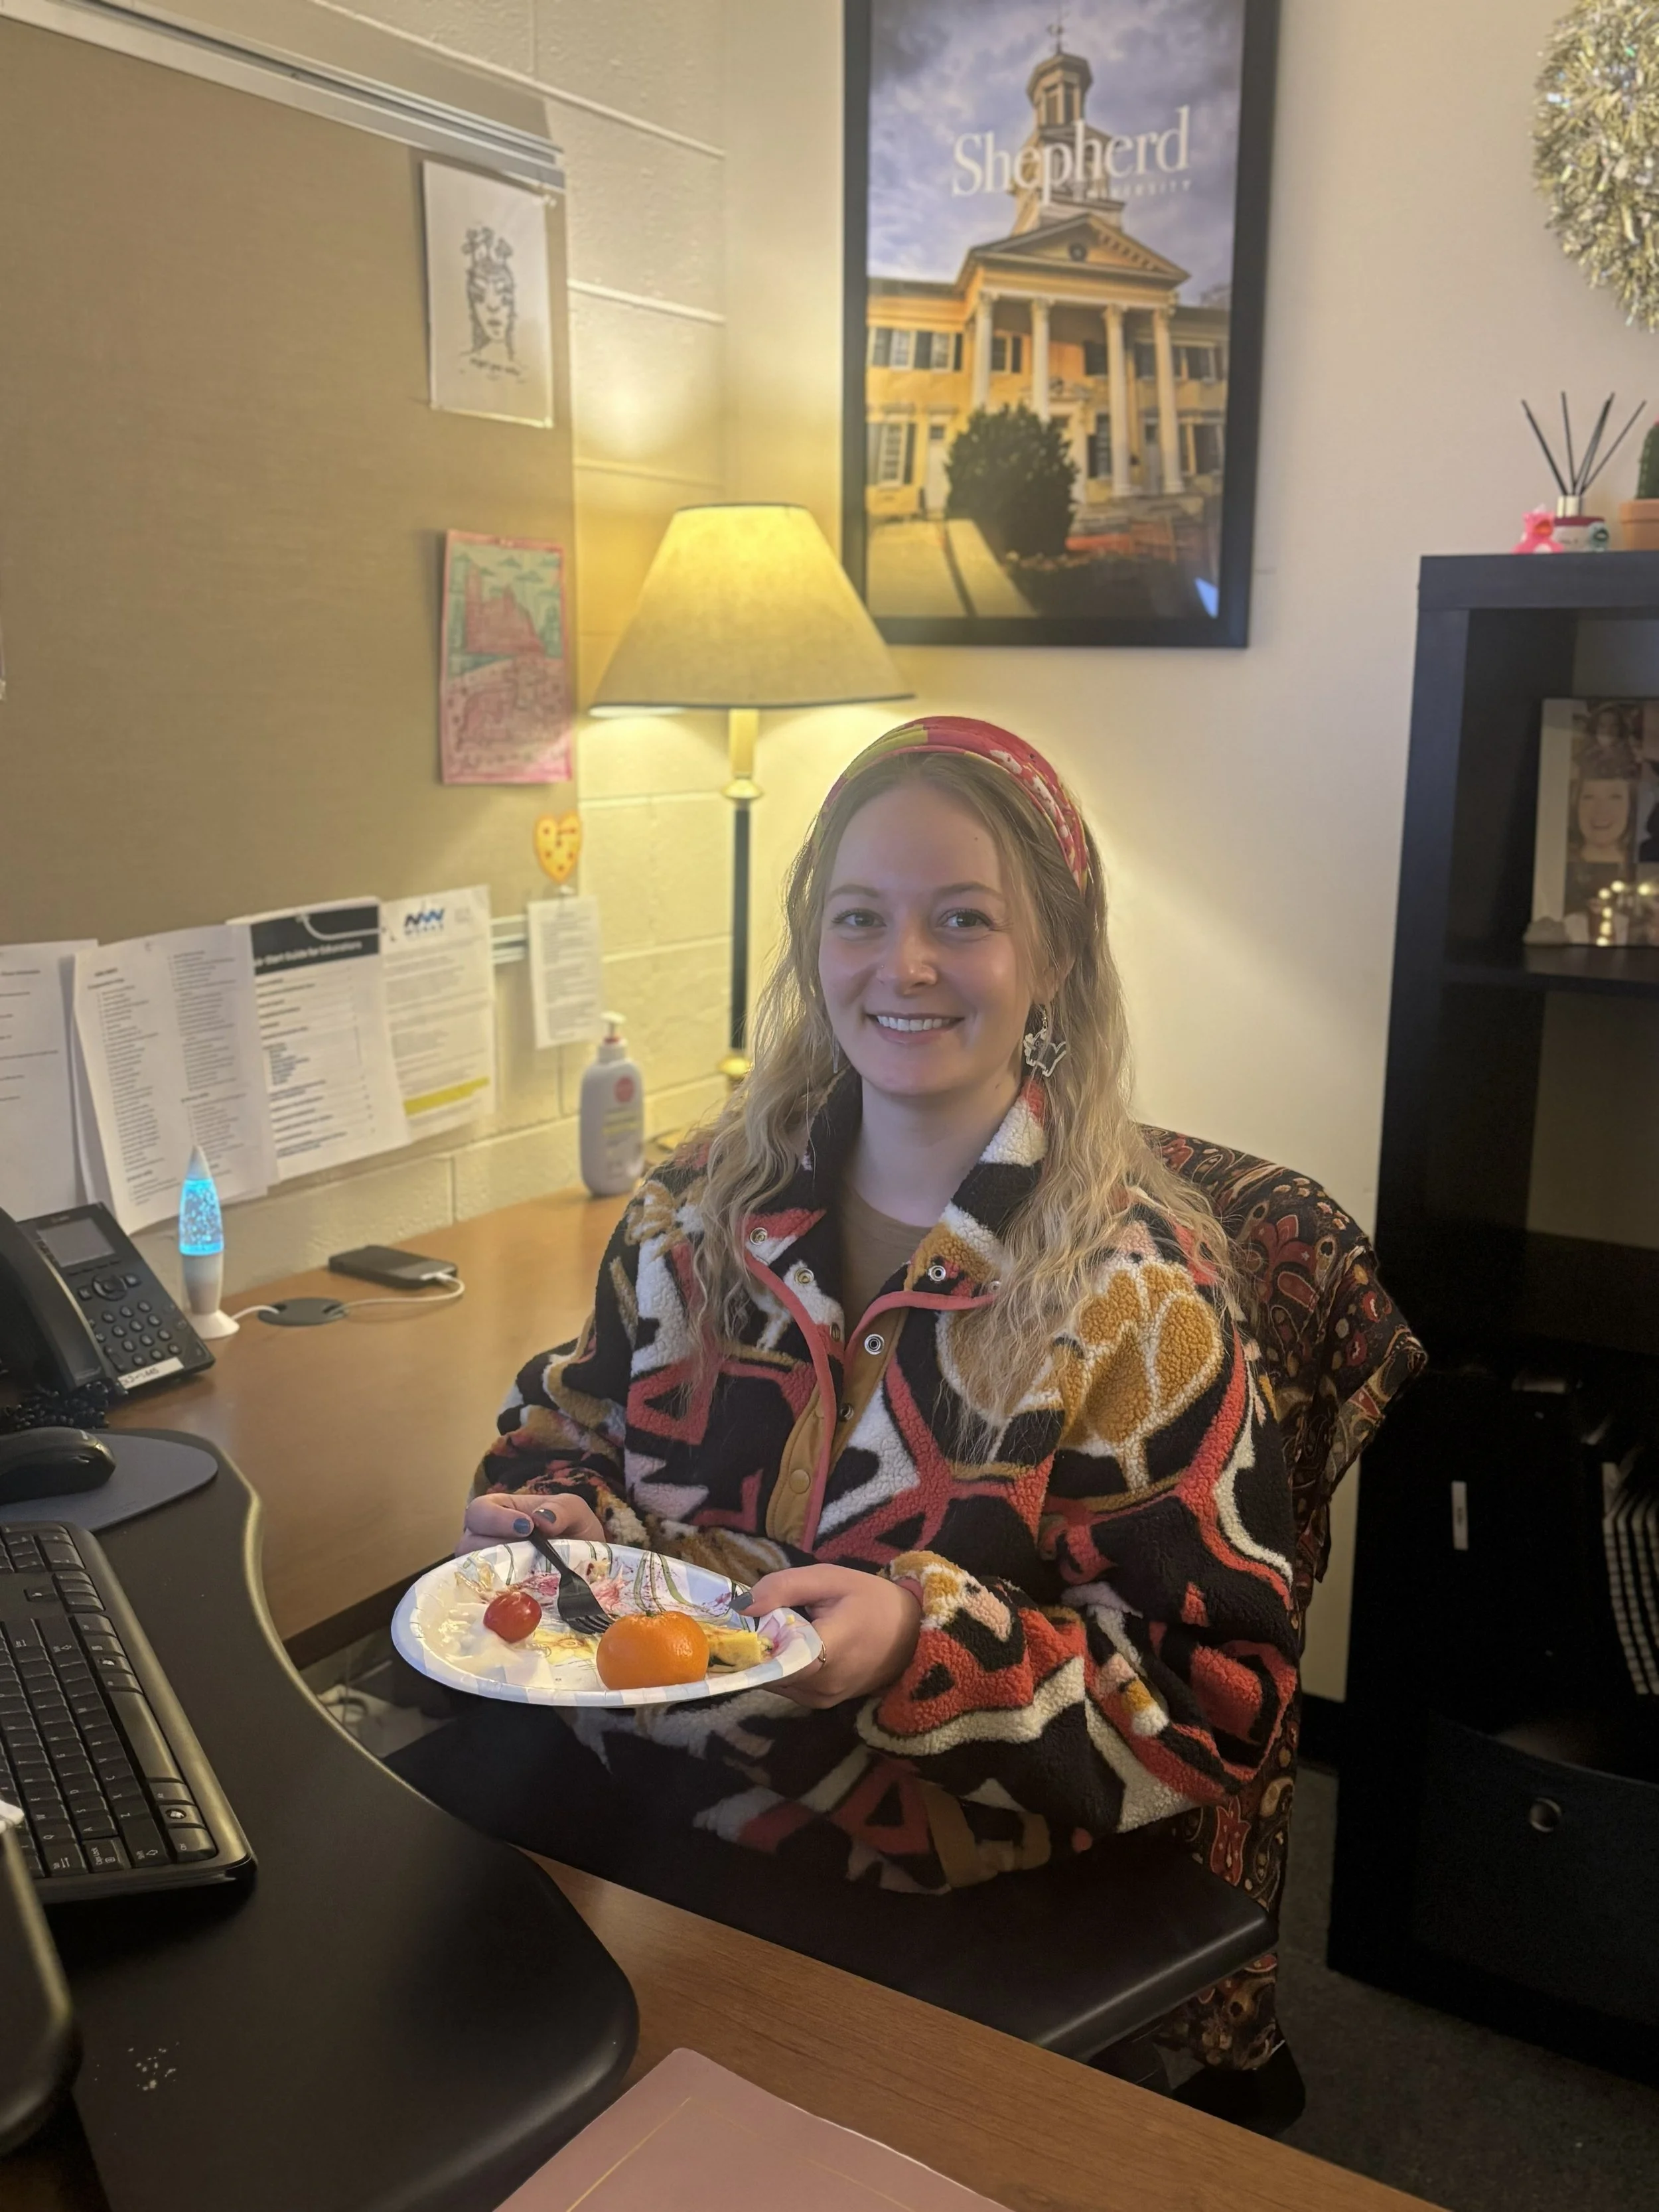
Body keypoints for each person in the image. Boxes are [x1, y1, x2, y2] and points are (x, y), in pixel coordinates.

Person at [431, 715, 1299, 1897]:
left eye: (963, 918)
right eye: (859, 917)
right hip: (613, 1798)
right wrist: (562, 1522)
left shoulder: (1139, 1303)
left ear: (1054, 959)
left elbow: (1216, 1710)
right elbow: (569, 1437)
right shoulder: (696, 1206)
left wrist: (914, 1646)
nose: (905, 965)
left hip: (900, 1888)